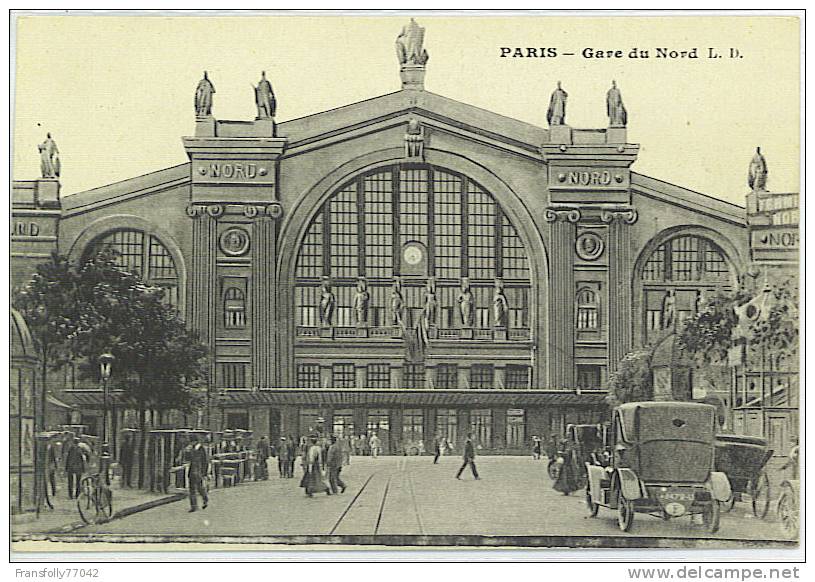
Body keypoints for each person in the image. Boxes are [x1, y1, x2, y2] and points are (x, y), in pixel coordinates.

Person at [188, 434, 210, 512]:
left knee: (200, 488)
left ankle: (205, 498)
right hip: (192, 472)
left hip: (199, 472)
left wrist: (204, 473)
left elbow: (205, 461)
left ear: (195, 441)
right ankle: (194, 506)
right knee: (191, 489)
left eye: (192, 442)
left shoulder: (201, 449)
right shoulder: (191, 449)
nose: (191, 444)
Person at [64, 435, 85, 499]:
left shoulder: (71, 449)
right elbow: (82, 459)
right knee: (77, 482)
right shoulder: (79, 449)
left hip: (71, 467)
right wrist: (83, 468)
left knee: (71, 482)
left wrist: (66, 467)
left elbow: (68, 458)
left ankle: (71, 495)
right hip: (77, 467)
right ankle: (76, 494)